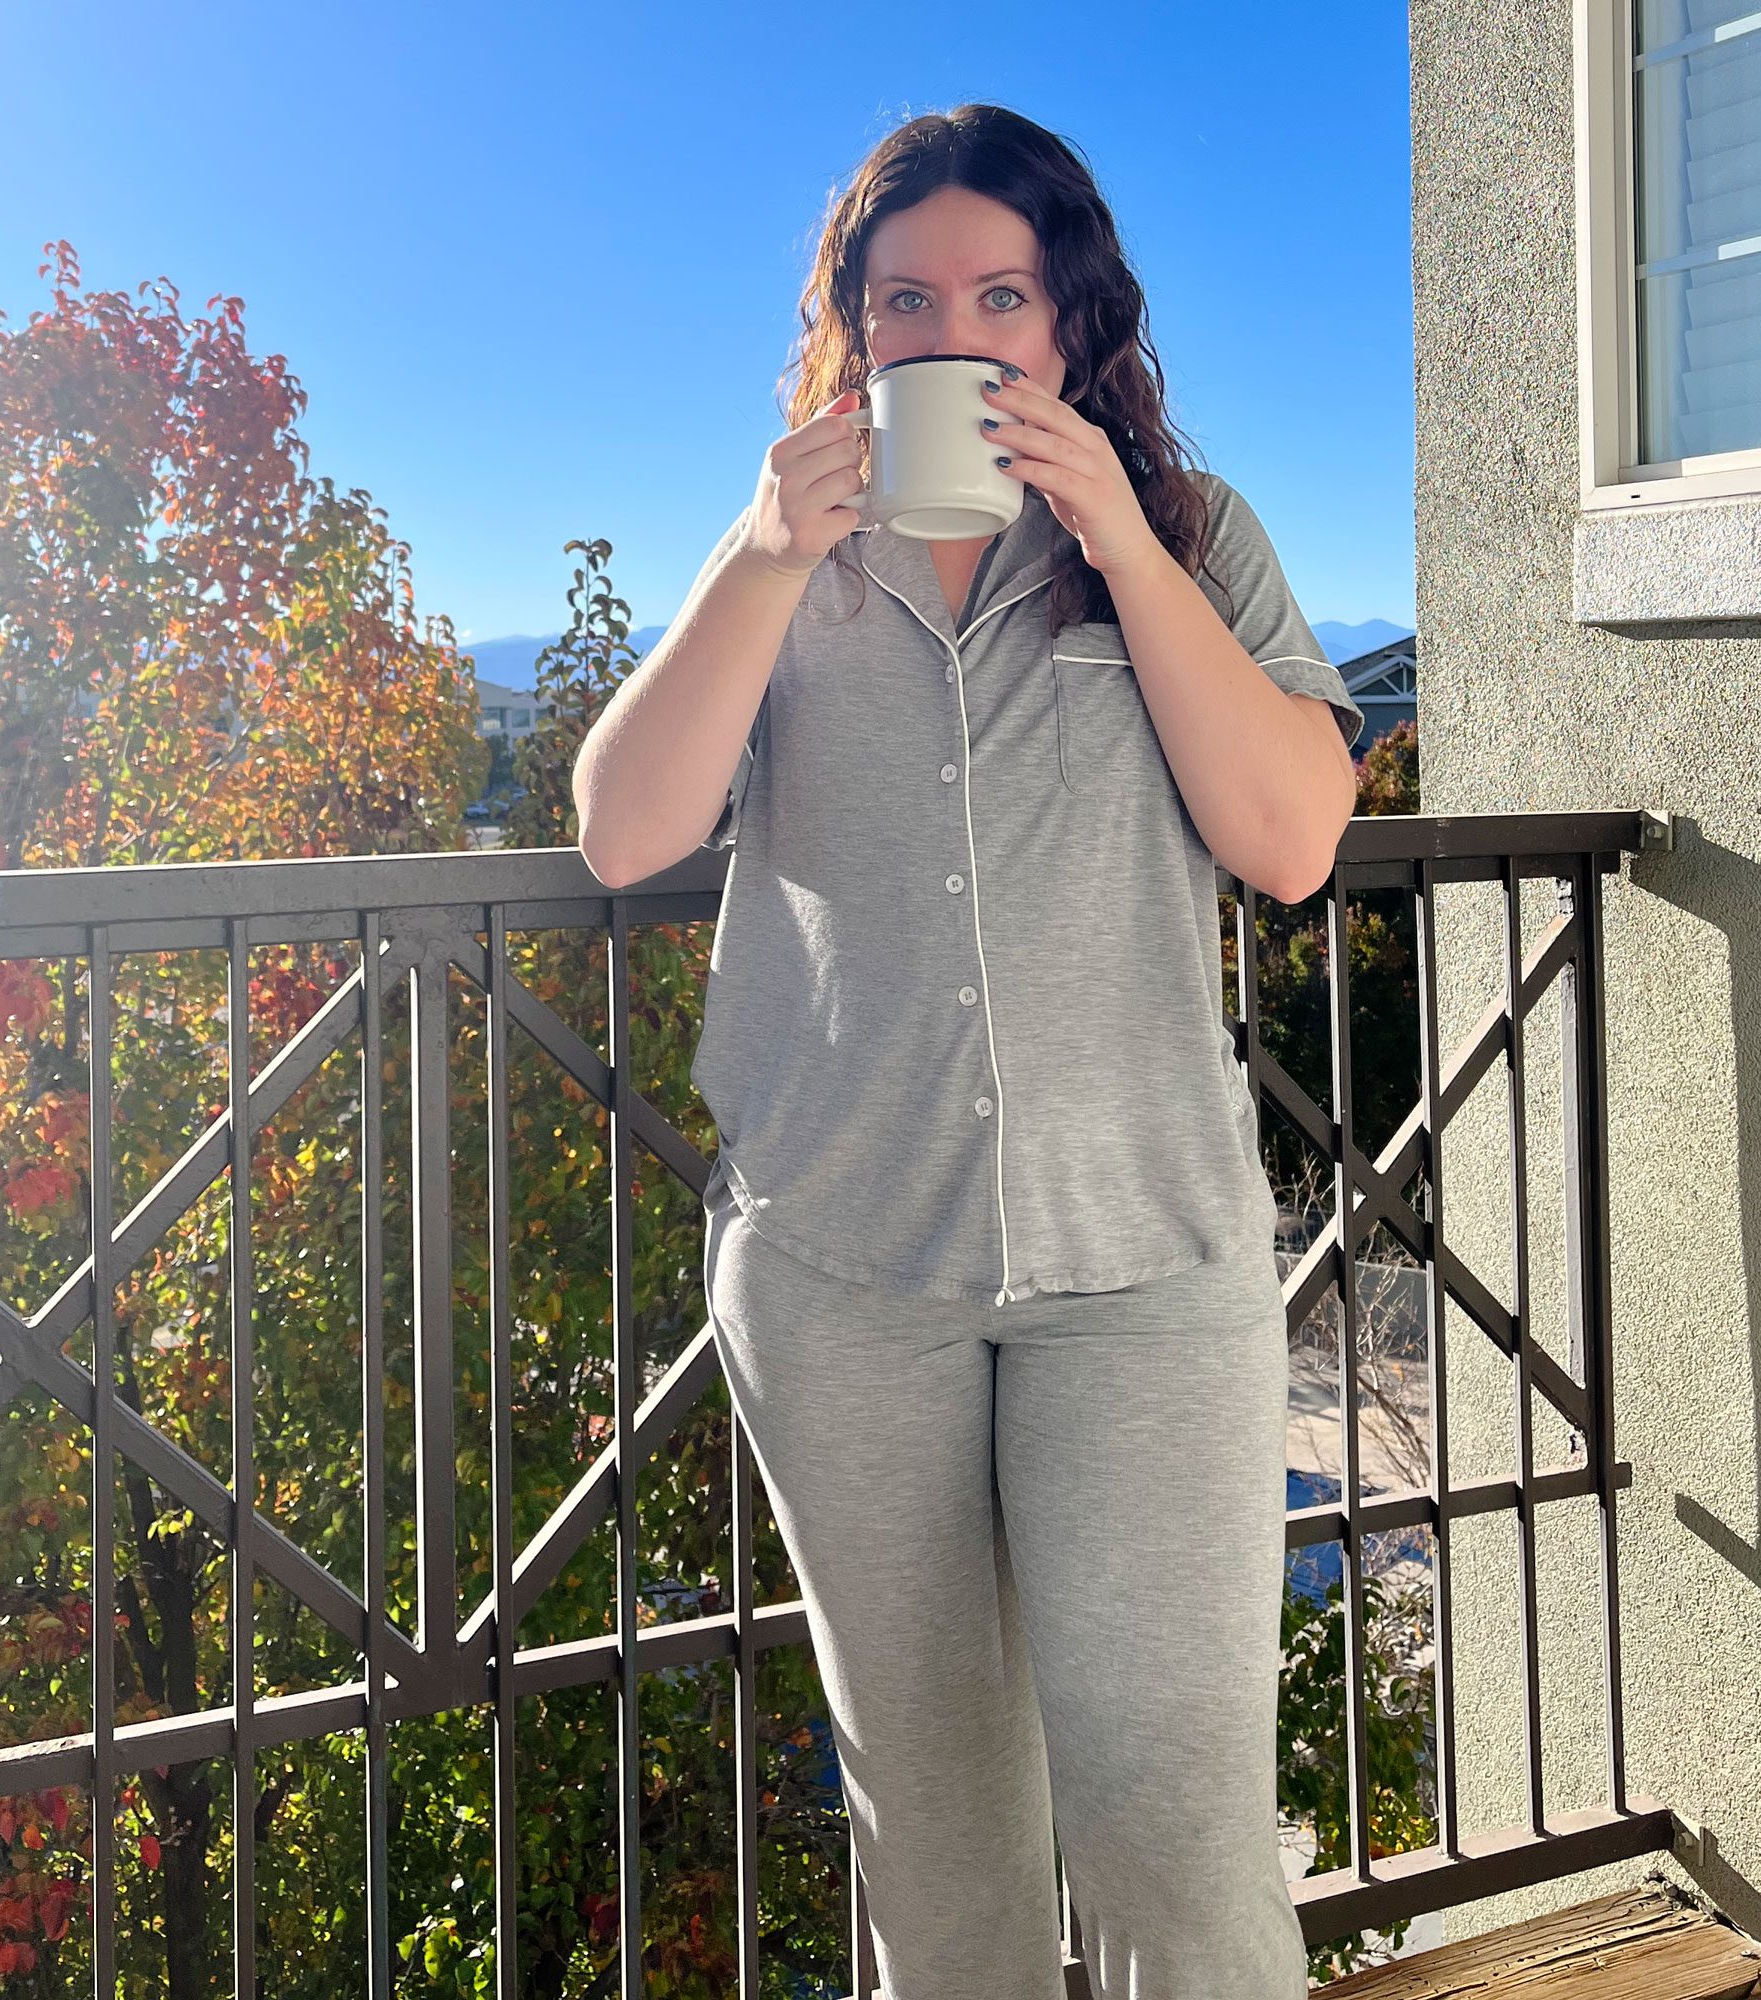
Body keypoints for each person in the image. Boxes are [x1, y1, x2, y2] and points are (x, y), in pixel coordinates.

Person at [574, 102, 1364, 2000]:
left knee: (1175, 1834)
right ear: (857, 325)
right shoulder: (785, 557)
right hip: (845, 1271)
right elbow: (623, 827)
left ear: (1068, 326)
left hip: (1147, 1272)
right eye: (907, 294)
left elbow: (1293, 834)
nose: (955, 332)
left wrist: (1121, 541)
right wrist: (764, 555)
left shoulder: (1189, 534)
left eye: (1001, 294)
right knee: (938, 1844)